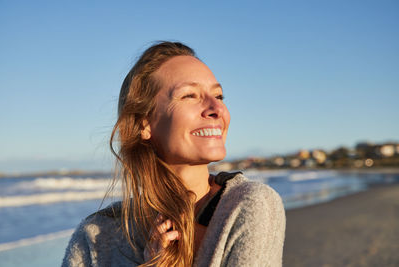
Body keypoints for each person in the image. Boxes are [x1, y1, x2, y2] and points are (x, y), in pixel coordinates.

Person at [62, 41, 285, 267]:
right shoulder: (96, 235)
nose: (217, 109)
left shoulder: (247, 205)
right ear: (144, 124)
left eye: (218, 96)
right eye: (190, 95)